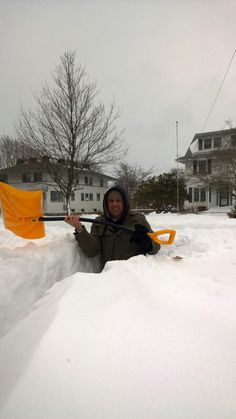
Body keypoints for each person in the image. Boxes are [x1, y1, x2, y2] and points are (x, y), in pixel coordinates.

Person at [65, 185, 160, 269]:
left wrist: (148, 243)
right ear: (106, 204)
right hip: (109, 279)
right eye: (111, 201)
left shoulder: (137, 220)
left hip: (133, 277)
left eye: (118, 200)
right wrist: (79, 229)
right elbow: (92, 251)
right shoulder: (99, 222)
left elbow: (156, 247)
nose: (114, 204)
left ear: (124, 203)